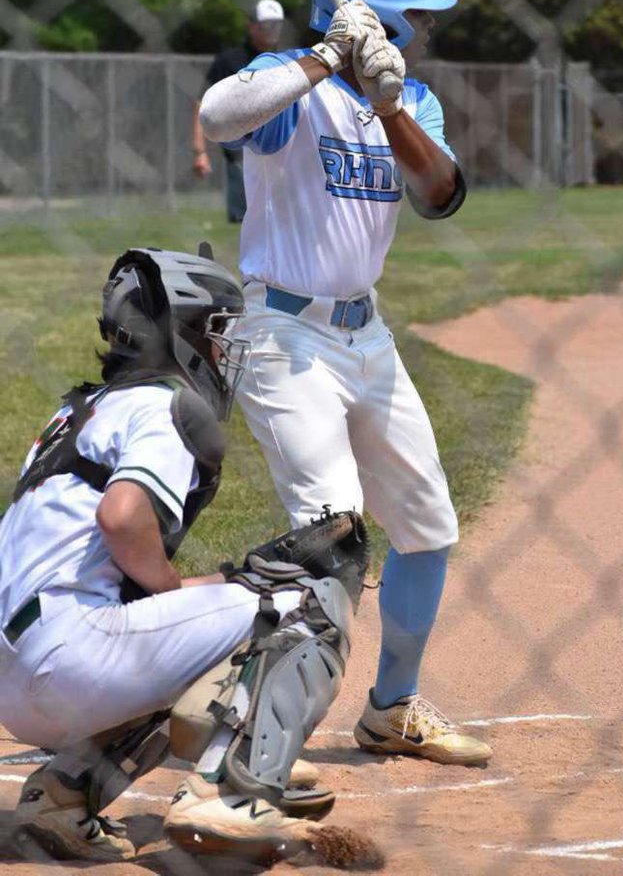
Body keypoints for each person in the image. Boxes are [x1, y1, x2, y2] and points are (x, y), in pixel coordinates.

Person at [199, 0, 492, 767]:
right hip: (282, 331)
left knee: (427, 528)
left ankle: (391, 708)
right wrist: (328, 56)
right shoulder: (292, 84)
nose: (427, 32)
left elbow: (441, 194)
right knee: (329, 535)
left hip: (368, 335)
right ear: (380, 15)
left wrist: (389, 100)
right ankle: (255, 734)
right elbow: (219, 115)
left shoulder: (413, 95)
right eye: (419, 18)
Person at [0, 246, 372, 865]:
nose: (226, 347)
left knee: (216, 613)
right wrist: (183, 587)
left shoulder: (73, 414)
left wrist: (210, 584)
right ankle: (233, 793)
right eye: (217, 329)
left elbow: (107, 567)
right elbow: (121, 518)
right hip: (70, 661)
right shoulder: (166, 406)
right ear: (183, 331)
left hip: (19, 669)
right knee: (306, 597)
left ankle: (62, 797)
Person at [192, 0, 285, 222]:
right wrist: (199, 151)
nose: (272, 31)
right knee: (244, 220)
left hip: (279, 152)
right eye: (266, 25)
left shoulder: (285, 62)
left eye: (277, 25)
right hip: (240, 152)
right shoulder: (230, 61)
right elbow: (201, 103)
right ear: (251, 25)